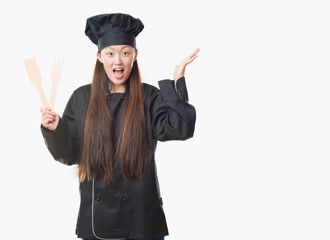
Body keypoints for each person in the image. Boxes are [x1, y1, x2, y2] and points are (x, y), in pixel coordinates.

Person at [40, 13, 198, 240]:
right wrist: (55, 129)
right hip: (96, 223)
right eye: (110, 53)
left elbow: (181, 128)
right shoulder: (81, 97)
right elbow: (70, 154)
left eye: (125, 52)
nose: (118, 60)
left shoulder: (149, 97)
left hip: (143, 220)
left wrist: (177, 83)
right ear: (99, 56)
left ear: (135, 56)